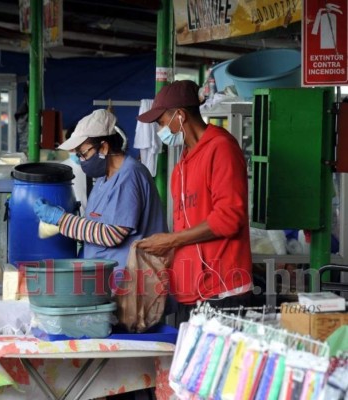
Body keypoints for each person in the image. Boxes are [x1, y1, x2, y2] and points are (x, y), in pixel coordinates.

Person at [136, 80, 253, 325]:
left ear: (180, 115)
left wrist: (171, 240)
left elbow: (229, 219)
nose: (160, 130)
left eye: (161, 122)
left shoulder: (221, 149)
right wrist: (167, 253)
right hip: (190, 291)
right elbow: (188, 225)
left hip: (223, 290)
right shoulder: (182, 164)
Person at [33, 109, 167, 271]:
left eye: (83, 153)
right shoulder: (104, 179)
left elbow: (112, 235)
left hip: (129, 280)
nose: (81, 160)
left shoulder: (129, 176)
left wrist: (61, 220)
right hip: (104, 277)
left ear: (103, 148)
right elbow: (95, 226)